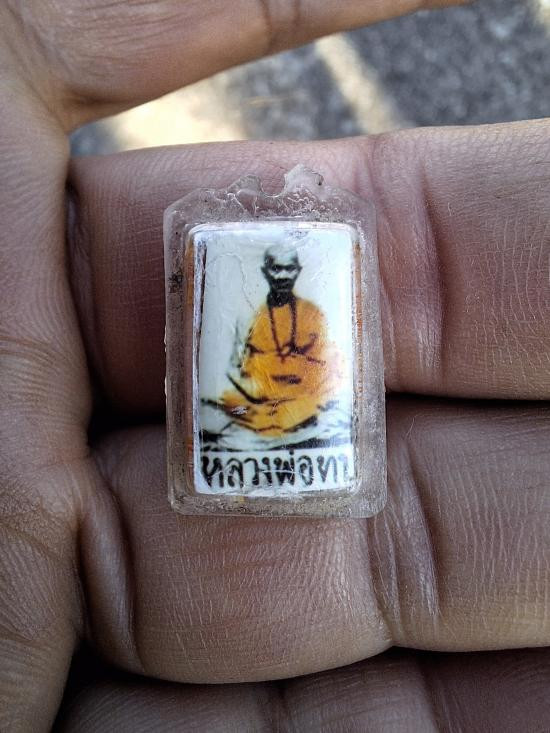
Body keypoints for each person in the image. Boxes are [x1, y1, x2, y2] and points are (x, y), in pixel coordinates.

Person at [1, 1, 550, 731]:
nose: (285, 284)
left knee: (273, 407)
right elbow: (252, 361)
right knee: (234, 401)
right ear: (267, 278)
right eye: (277, 278)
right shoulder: (246, 298)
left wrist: (287, 375)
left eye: (290, 276)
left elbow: (317, 364)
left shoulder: (320, 306)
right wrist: (260, 375)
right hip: (266, 403)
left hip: (304, 403)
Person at [221, 244, 345, 436]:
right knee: (229, 403)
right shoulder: (249, 316)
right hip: (258, 397)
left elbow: (329, 366)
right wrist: (254, 392)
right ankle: (285, 420)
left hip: (302, 395)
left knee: (320, 401)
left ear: (298, 271)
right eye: (276, 269)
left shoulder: (313, 313)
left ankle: (277, 420)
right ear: (265, 272)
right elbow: (233, 368)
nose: (283, 276)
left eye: (289, 268)